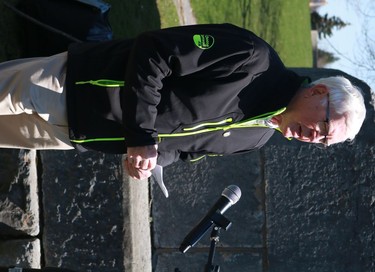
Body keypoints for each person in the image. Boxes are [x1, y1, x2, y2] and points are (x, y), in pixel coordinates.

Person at [0, 23, 366, 180]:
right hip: (71, 85)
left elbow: (186, 150)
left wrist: (155, 156)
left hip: (76, 136)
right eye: (323, 127)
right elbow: (154, 50)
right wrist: (142, 135)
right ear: (318, 92)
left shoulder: (257, 138)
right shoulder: (252, 58)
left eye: (324, 142)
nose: (315, 137)